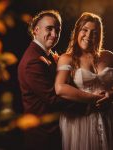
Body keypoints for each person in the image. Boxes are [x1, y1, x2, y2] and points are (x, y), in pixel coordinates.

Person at [55, 12, 113, 150]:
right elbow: (60, 88)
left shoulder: (109, 56)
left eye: (94, 32)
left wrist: (111, 94)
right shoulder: (67, 58)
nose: (88, 36)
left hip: (107, 117)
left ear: (99, 35)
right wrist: (95, 99)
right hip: (80, 120)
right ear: (77, 31)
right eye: (84, 30)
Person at [18, 10, 65, 150]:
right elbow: (53, 98)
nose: (55, 34)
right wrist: (87, 104)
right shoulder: (33, 61)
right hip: (44, 137)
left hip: (54, 132)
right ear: (36, 30)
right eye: (49, 29)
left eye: (58, 30)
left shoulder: (46, 55)